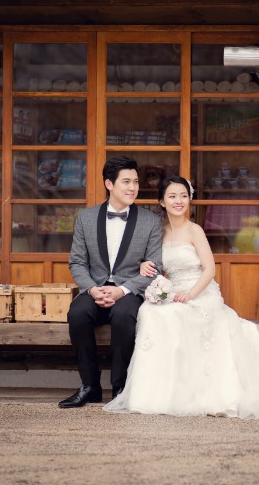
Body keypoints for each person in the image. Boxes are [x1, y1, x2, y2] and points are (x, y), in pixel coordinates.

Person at [105, 176, 259, 418]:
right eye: (172, 196)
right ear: (162, 202)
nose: (178, 201)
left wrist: (190, 294)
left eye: (183, 195)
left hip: (200, 292)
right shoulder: (159, 232)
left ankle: (190, 392)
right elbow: (157, 266)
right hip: (174, 291)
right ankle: (156, 394)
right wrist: (147, 272)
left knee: (176, 315)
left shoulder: (195, 231)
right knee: (150, 312)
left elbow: (210, 270)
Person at [59, 156, 164, 408]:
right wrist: (93, 289)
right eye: (126, 182)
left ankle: (120, 388)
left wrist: (123, 290)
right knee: (77, 313)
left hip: (129, 292)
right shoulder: (85, 218)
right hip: (94, 288)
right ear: (109, 184)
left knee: (124, 316)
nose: (133, 187)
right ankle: (89, 386)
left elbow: (155, 267)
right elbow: (77, 262)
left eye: (135, 182)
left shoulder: (151, 221)